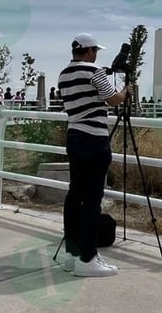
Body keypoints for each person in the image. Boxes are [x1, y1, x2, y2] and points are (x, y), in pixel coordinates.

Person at [58, 33, 130, 277]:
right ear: (89, 51)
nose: (97, 55)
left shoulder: (64, 74)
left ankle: (72, 253)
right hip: (94, 139)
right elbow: (112, 100)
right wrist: (126, 90)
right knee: (92, 198)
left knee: (74, 194)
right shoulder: (94, 71)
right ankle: (88, 259)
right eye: (95, 51)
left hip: (74, 136)